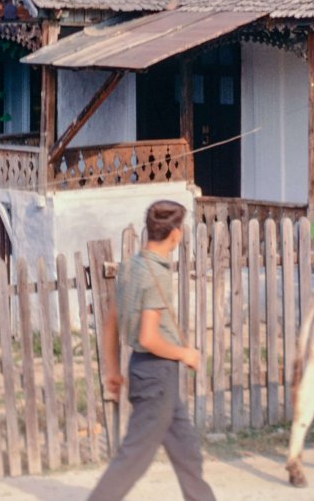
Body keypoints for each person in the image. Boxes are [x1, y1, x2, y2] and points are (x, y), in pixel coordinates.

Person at [89, 200, 216, 501]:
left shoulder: (131, 266)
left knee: (187, 451)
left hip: (146, 372)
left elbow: (110, 324)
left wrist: (114, 371)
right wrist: (185, 354)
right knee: (134, 458)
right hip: (157, 374)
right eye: (181, 228)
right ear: (175, 233)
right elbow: (148, 337)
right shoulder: (157, 274)